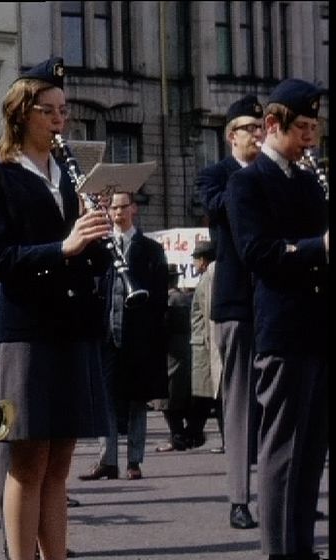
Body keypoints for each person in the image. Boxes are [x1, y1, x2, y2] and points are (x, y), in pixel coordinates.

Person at [0, 57, 112, 560]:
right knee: (26, 464)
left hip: (72, 327)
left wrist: (98, 235)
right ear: (21, 112)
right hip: (25, 332)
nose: (60, 120)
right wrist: (64, 247)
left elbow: (87, 257)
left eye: (63, 110)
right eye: (49, 110)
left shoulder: (72, 175)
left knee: (58, 467)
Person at [226, 78, 328, 560]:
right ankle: (279, 550)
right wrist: (319, 248)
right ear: (273, 124)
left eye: (314, 127)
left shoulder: (308, 180)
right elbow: (258, 253)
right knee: (282, 450)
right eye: (301, 128)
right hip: (282, 328)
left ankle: (302, 547)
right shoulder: (247, 181)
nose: (309, 138)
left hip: (316, 329)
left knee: (311, 452)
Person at [196, 94, 265, 530]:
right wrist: (259, 176)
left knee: (284, 401)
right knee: (239, 401)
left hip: (278, 299)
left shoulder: (277, 173)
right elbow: (219, 208)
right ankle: (239, 497)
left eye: (261, 129)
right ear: (231, 136)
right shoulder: (216, 176)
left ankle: (284, 487)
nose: (257, 136)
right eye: (249, 129)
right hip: (237, 300)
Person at [79, 192, 168, 482]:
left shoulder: (150, 249)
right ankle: (108, 460)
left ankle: (134, 460)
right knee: (106, 398)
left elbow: (160, 297)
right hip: (107, 334)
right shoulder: (102, 247)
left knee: (136, 400)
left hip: (138, 335)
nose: (117, 212)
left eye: (122, 207)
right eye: (112, 207)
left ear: (134, 209)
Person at [188, 240, 224, 453]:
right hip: (203, 346)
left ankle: (225, 439)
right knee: (210, 396)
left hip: (207, 346)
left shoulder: (209, 277)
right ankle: (194, 433)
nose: (193, 263)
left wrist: (214, 348)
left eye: (195, 258)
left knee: (217, 396)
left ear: (202, 260)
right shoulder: (206, 277)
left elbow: (210, 314)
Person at [153, 264, 194, 452]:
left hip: (172, 352)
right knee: (177, 396)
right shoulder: (184, 297)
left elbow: (164, 327)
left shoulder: (171, 300)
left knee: (169, 398)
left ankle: (177, 436)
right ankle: (181, 434)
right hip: (184, 350)